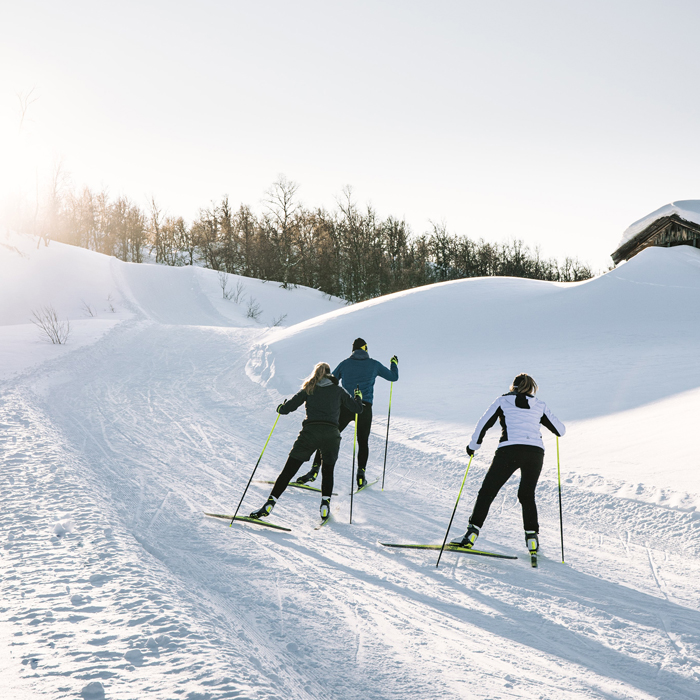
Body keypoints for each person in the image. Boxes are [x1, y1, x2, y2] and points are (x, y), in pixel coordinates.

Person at [451, 373, 565, 555]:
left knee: (488, 491)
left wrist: (473, 446)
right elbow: (560, 430)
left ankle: (471, 534)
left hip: (509, 450)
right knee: (526, 495)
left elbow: (483, 424)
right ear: (531, 388)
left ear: (513, 387)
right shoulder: (539, 405)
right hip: (535, 452)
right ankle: (532, 540)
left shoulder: (502, 401)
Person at [249, 362, 364, 522]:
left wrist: (281, 408)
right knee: (328, 471)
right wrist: (358, 398)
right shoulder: (339, 391)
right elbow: (358, 409)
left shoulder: (309, 388)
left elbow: (288, 407)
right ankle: (325, 505)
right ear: (331, 375)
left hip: (310, 433)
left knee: (288, 471)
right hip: (331, 434)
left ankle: (270, 502)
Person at [295, 338, 398, 489]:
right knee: (362, 442)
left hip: (344, 406)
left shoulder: (344, 364)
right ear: (365, 349)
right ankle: (361, 476)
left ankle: (314, 470)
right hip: (364, 407)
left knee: (327, 437)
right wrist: (393, 364)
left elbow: (331, 381)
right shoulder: (374, 364)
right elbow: (393, 377)